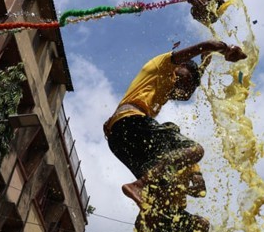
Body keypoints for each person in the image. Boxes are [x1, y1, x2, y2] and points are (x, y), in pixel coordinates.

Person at [103, 40, 246, 207]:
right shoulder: (162, 65)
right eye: (184, 80)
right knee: (194, 149)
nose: (182, 88)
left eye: (188, 87)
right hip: (131, 122)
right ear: (180, 65)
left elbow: (186, 92)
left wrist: (205, 63)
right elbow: (208, 45)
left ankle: (155, 216)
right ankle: (139, 185)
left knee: (162, 191)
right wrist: (224, 49)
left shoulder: (165, 89)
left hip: (119, 140)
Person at [120, 163, 209, 232]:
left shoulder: (191, 164)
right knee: (145, 224)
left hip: (176, 217)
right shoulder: (158, 161)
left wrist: (183, 189)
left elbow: (201, 190)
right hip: (154, 213)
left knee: (202, 224)